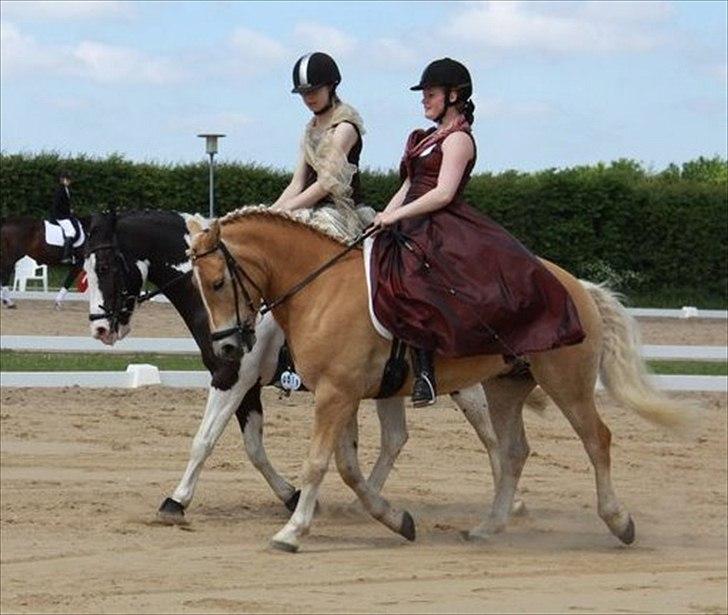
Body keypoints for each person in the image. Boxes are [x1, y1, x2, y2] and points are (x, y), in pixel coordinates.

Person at [370, 58, 585, 407]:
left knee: (416, 277)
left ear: (453, 95)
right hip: (410, 218)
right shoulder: (423, 139)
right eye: (424, 94)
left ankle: (426, 371)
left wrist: (398, 216)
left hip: (439, 224)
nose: (424, 99)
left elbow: (442, 193)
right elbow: (410, 182)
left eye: (430, 93)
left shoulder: (458, 140)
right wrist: (384, 216)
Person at [271, 51, 373, 240]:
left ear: (331, 86)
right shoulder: (309, 131)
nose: (309, 98)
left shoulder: (344, 128)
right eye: (303, 93)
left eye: (314, 91)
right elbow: (297, 184)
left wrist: (287, 209)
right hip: (309, 208)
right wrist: (268, 213)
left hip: (339, 213)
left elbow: (325, 184)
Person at [50, 171, 81, 265]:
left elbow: (64, 204)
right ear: (63, 180)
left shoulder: (65, 189)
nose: (69, 181)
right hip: (60, 216)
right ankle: (66, 256)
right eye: (68, 179)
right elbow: (57, 205)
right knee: (71, 232)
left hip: (64, 215)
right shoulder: (60, 190)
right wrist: (67, 213)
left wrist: (70, 211)